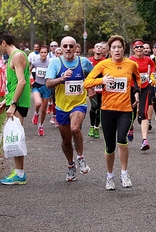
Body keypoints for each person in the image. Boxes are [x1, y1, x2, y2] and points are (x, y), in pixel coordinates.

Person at [84, 35, 141, 191]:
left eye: (119, 47)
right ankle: (110, 176)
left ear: (124, 49)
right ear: (109, 50)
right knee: (110, 147)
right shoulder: (103, 65)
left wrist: (136, 92)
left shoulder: (131, 64)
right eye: (114, 47)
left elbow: (137, 80)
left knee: (122, 139)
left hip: (125, 110)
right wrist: (101, 81)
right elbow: (86, 82)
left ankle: (124, 173)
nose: (117, 50)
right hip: (107, 110)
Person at [45, 36, 93, 182]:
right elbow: (48, 83)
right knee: (66, 140)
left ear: (75, 48)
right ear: (61, 47)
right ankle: (71, 165)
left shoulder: (83, 62)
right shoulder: (55, 63)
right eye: (65, 46)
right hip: (61, 107)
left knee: (75, 129)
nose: (68, 49)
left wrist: (90, 87)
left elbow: (93, 75)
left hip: (79, 103)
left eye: (71, 46)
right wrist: (62, 78)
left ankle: (80, 157)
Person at [0, 31, 31, 185]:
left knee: (15, 137)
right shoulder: (14, 57)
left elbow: (22, 82)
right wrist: (6, 101)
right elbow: (14, 84)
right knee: (14, 136)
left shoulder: (17, 56)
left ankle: (19, 173)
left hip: (18, 103)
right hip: (15, 100)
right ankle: (18, 172)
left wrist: (12, 104)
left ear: (3, 42)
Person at [129, 39, 156, 151]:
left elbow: (153, 67)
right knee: (131, 111)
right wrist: (135, 89)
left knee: (144, 112)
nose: (140, 49)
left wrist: (152, 76)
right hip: (132, 87)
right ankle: (130, 127)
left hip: (145, 87)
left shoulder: (148, 60)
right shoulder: (130, 61)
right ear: (133, 49)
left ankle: (145, 140)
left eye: (141, 47)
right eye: (137, 47)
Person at [30, 45, 51, 136]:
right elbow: (29, 70)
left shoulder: (50, 63)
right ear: (39, 53)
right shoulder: (36, 62)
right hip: (37, 86)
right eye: (41, 52)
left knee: (44, 110)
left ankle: (41, 126)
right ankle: (36, 113)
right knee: (38, 103)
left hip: (46, 87)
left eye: (45, 52)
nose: (43, 54)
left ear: (47, 53)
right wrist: (30, 80)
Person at [87, 43, 106, 138]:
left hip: (103, 89)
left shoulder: (106, 62)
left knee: (100, 108)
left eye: (101, 47)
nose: (99, 48)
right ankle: (91, 126)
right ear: (94, 50)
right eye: (97, 47)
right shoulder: (89, 61)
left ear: (103, 51)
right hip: (93, 88)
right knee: (94, 106)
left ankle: (96, 127)